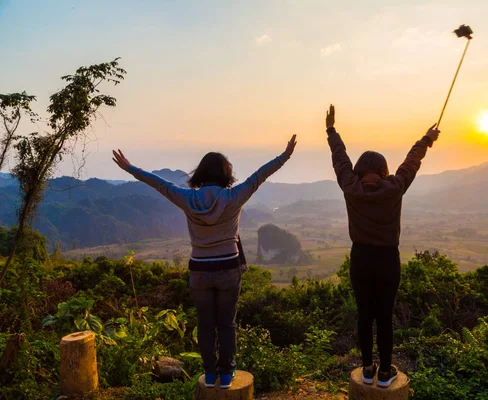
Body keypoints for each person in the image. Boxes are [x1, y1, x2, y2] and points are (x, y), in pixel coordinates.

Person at [112, 134, 297, 389]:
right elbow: (258, 177)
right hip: (228, 269)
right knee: (227, 323)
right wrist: (285, 156)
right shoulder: (233, 198)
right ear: (225, 174)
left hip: (199, 270)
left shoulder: (188, 199)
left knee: (206, 325)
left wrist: (130, 168)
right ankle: (226, 374)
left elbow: (160, 184)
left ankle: (209, 375)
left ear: (201, 173)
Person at [324, 104, 439, 388]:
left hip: (360, 258)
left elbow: (340, 160)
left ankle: (366, 368)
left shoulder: (351, 186)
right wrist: (426, 141)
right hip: (388, 259)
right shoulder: (394, 187)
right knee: (384, 316)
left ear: (360, 170)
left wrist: (331, 131)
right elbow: (411, 162)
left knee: (365, 314)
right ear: (383, 170)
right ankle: (386, 371)